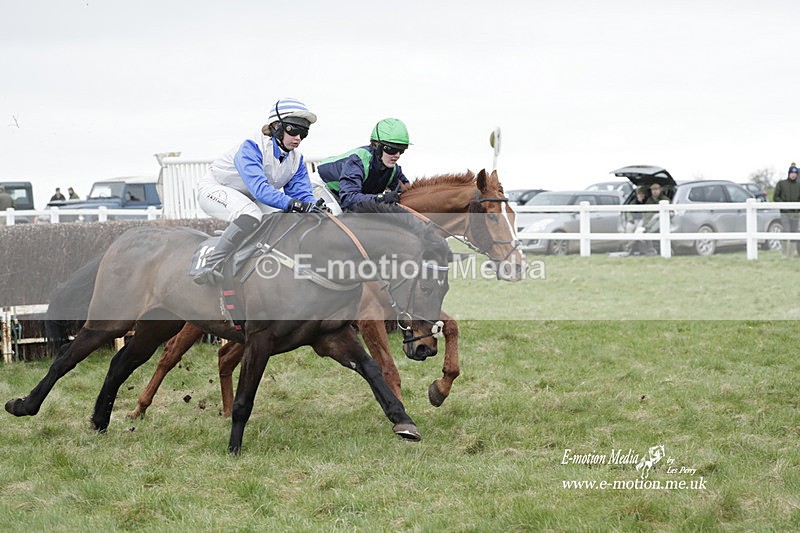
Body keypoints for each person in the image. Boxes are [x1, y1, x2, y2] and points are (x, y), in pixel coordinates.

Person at [193, 97, 319, 285]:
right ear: (276, 127)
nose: (298, 138)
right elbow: (260, 190)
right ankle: (211, 265)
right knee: (251, 214)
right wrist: (295, 204)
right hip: (215, 189)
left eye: (304, 133)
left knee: (282, 218)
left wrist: (315, 207)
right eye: (295, 131)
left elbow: (301, 194)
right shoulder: (251, 147)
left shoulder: (297, 159)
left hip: (249, 196)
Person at [316, 118, 410, 211]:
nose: (397, 155)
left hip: (347, 194)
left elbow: (407, 193)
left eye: (401, 150)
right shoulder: (358, 161)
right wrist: (381, 198)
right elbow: (348, 200)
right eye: (391, 149)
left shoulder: (393, 169)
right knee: (336, 212)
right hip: (323, 186)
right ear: (377, 146)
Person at [773, 162, 800, 258]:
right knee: (786, 231)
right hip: (785, 213)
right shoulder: (781, 184)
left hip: (796, 214)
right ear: (789, 173)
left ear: (797, 174)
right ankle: (784, 254)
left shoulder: (798, 185)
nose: (793, 174)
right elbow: (776, 197)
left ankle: (791, 254)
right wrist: (784, 206)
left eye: (795, 173)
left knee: (794, 232)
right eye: (792, 173)